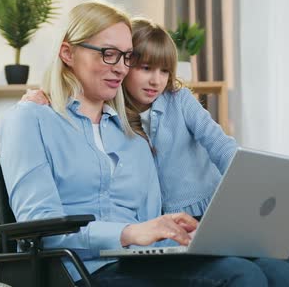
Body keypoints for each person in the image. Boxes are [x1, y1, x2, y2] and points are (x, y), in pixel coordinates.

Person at [2, 0, 289, 286]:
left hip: (137, 261)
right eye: (108, 53)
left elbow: (151, 218)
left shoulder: (132, 135)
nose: (120, 67)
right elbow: (41, 226)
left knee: (280, 274)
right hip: (79, 269)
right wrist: (130, 232)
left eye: (126, 57)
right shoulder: (31, 119)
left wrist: (175, 231)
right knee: (240, 276)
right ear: (67, 53)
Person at [24, 17, 237, 217]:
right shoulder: (108, 111)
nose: (156, 80)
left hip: (207, 207)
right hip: (157, 223)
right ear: (124, 64)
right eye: (146, 68)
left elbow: (219, 144)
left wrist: (247, 182)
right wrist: (43, 95)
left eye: (164, 71)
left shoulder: (179, 100)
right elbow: (72, 96)